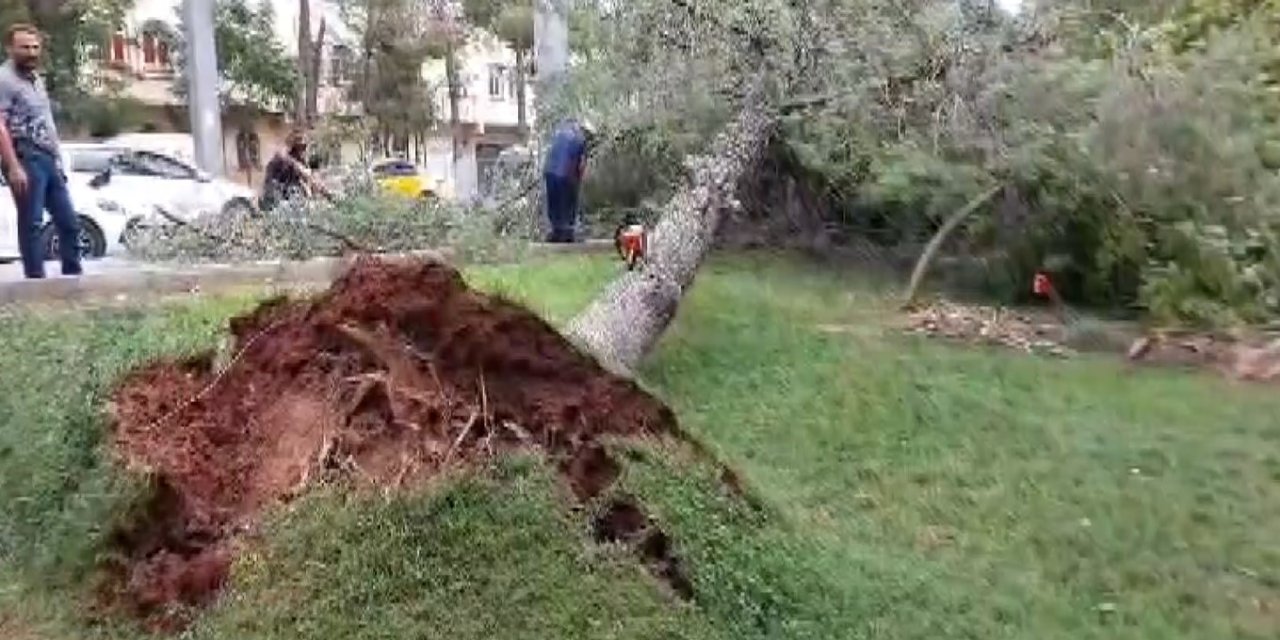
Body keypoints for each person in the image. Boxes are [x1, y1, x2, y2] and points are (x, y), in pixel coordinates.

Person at [0, 24, 82, 279]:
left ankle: (73, 278)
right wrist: (13, 166)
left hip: (47, 158)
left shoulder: (36, 79)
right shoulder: (4, 79)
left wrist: (57, 160)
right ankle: (35, 283)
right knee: (32, 223)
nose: (32, 52)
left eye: (35, 47)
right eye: (24, 47)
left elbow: (46, 122)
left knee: (69, 222)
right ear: (10, 48)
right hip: (25, 156)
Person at [542, 118, 596, 243]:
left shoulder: (560, 133)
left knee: (554, 204)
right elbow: (581, 165)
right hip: (566, 175)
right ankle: (567, 233)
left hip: (549, 173)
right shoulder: (581, 140)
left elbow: (551, 153)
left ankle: (556, 232)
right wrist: (579, 180)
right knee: (569, 204)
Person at [258, 129, 330, 213]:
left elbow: (311, 180)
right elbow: (305, 174)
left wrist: (325, 193)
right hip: (276, 200)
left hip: (285, 198)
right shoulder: (285, 159)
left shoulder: (299, 161)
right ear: (295, 148)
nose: (304, 151)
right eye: (301, 147)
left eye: (304, 147)